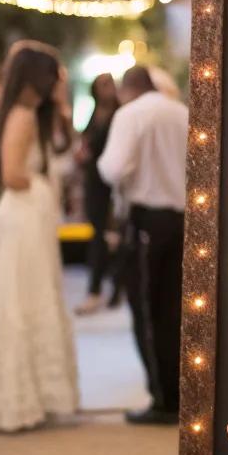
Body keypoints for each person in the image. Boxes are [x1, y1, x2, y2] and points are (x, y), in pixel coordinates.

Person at [0, 43, 79, 433]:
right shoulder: (21, 116)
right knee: (18, 300)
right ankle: (12, 396)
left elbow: (61, 147)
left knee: (33, 297)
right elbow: (11, 175)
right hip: (22, 216)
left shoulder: (34, 116)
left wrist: (62, 106)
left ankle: (36, 394)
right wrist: (42, 185)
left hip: (30, 217)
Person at [98, 65, 187, 426]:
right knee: (176, 311)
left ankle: (163, 398)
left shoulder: (131, 115)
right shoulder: (182, 113)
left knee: (148, 312)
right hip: (184, 220)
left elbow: (113, 169)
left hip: (148, 221)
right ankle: (181, 393)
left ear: (126, 90)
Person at [74, 72, 119, 316]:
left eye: (110, 83)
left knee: (111, 235)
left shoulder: (119, 114)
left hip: (112, 182)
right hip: (94, 181)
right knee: (98, 234)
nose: (108, 88)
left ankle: (107, 288)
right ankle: (98, 288)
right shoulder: (93, 114)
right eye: (103, 84)